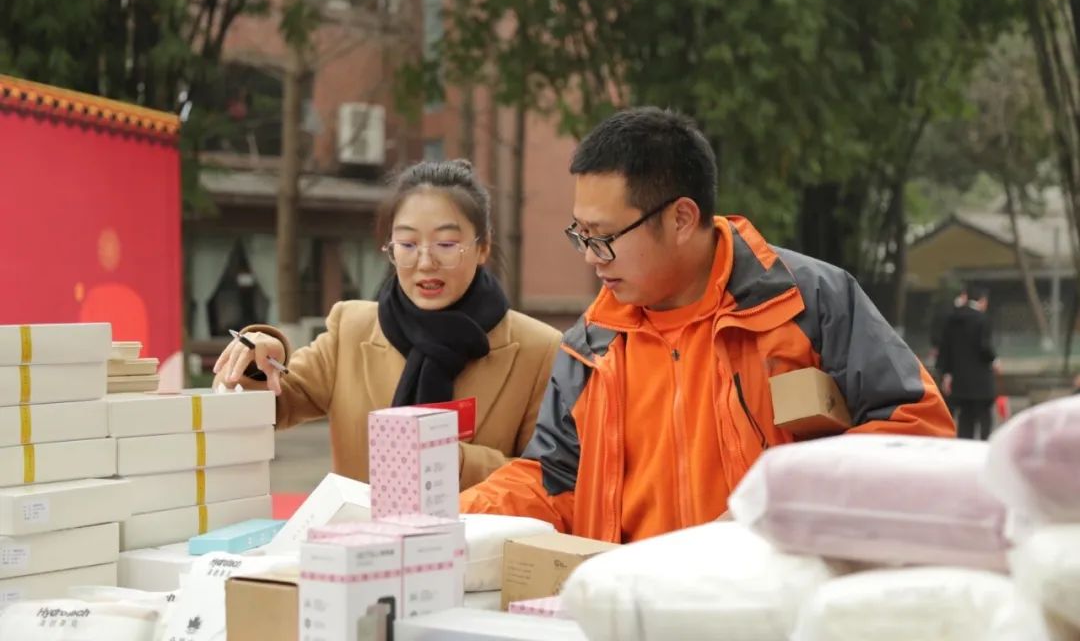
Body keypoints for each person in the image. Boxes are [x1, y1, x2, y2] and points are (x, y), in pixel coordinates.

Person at [460, 107, 956, 543]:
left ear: (681, 218)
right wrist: (450, 520)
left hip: (776, 594)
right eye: (581, 234)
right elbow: (551, 481)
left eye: (604, 237)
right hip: (637, 599)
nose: (591, 257)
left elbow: (916, 428)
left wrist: (779, 497)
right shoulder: (591, 348)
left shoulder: (806, 303)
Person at [212, 158, 563, 489]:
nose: (425, 262)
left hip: (478, 533)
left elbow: (548, 479)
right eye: (407, 244)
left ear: (482, 247)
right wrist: (258, 361)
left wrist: (450, 462)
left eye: (445, 244)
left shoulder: (539, 349)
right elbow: (268, 408)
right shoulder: (351, 329)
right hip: (362, 533)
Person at [937, 286, 999, 440]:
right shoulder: (982, 319)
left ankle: (966, 449)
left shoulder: (952, 319)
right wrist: (994, 360)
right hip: (981, 381)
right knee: (985, 419)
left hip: (960, 381)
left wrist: (946, 373)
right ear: (983, 301)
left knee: (965, 419)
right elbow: (984, 347)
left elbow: (945, 349)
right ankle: (985, 447)